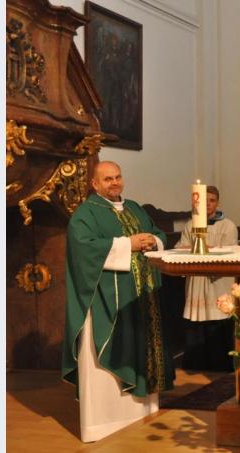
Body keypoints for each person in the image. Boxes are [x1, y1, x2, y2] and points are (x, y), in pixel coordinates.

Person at [61, 161, 175, 442]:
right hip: (106, 302)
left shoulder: (135, 208)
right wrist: (128, 244)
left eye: (118, 177)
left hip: (139, 300)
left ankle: (142, 411)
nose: (115, 183)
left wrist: (152, 241)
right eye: (108, 179)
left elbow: (158, 235)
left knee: (141, 346)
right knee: (107, 362)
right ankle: (102, 423)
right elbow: (83, 248)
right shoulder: (86, 213)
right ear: (95, 184)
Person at [174, 186, 238, 370]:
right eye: (204, 200)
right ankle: (195, 365)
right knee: (197, 324)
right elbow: (181, 247)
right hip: (196, 282)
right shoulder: (190, 225)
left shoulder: (228, 225)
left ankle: (221, 367)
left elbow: (229, 254)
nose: (208, 204)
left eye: (212, 200)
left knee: (217, 324)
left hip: (218, 283)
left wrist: (203, 250)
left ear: (217, 203)